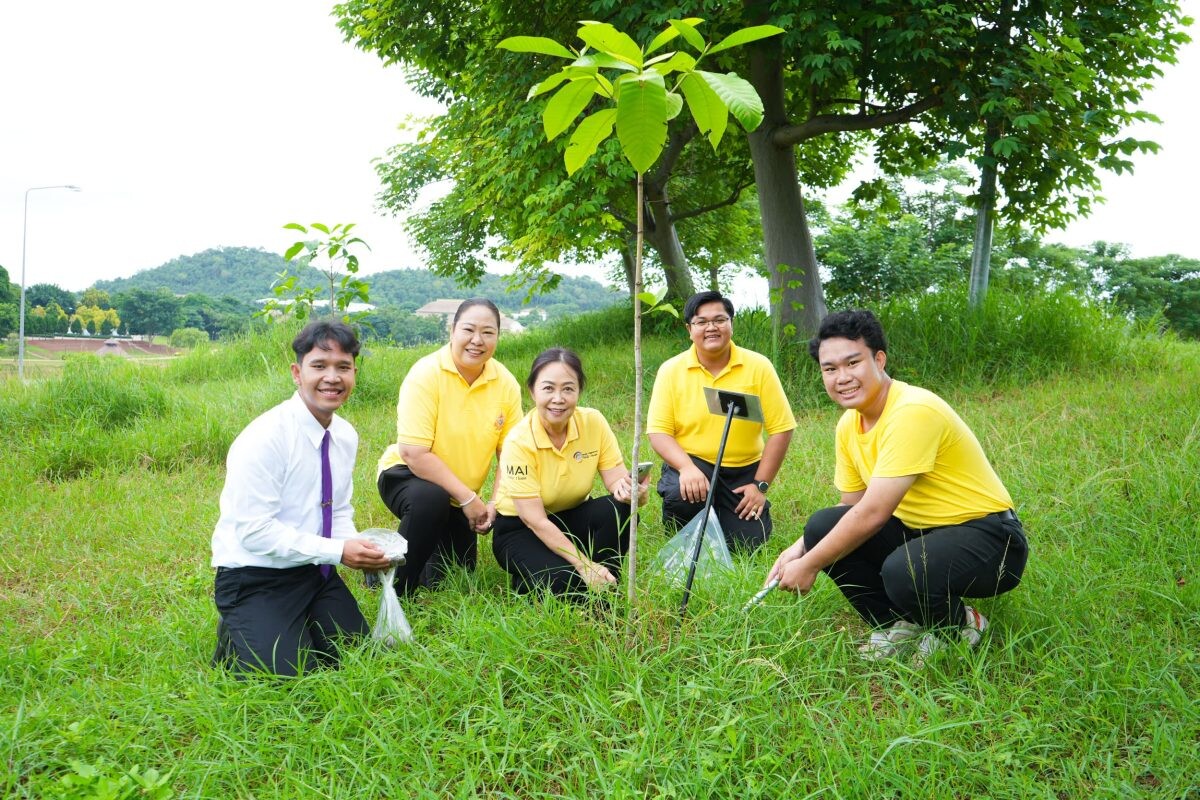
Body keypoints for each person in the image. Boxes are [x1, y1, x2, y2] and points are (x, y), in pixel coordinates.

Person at [765, 309, 1029, 661]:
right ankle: (903, 623)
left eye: (852, 363)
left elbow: (872, 514)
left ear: (879, 359)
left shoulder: (912, 411)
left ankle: (958, 625)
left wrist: (810, 564)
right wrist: (800, 547)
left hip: (991, 540)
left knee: (903, 569)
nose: (841, 377)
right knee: (821, 526)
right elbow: (851, 505)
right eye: (830, 369)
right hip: (924, 534)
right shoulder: (849, 424)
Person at [211, 321, 391, 676]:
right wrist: (339, 552)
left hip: (312, 570)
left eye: (343, 367)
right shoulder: (265, 437)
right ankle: (237, 632)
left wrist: (358, 545)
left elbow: (338, 509)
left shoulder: (345, 435)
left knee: (356, 657)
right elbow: (254, 532)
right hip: (254, 576)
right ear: (297, 373)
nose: (332, 377)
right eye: (319, 366)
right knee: (289, 677)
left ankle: (292, 622)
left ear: (355, 373)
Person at [377, 298, 523, 594]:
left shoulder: (505, 383)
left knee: (453, 575)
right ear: (452, 330)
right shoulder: (426, 374)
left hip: (459, 496)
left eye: (488, 332)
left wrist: (494, 502)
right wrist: (470, 499)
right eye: (468, 330)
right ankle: (395, 592)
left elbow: (512, 454)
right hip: (408, 476)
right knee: (431, 500)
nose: (477, 340)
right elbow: (413, 454)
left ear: (498, 336)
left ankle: (382, 557)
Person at [492, 348, 649, 596]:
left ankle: (607, 582)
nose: (558, 398)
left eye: (568, 388)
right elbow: (535, 519)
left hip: (570, 517)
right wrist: (583, 565)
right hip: (520, 529)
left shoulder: (593, 422)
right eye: (548, 388)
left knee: (620, 511)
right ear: (532, 391)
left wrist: (635, 493)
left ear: (578, 391)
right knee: (569, 582)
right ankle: (529, 580)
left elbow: (617, 482)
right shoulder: (518, 441)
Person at [647, 290, 796, 552]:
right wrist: (686, 468)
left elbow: (782, 429)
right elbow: (658, 432)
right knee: (684, 509)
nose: (711, 327)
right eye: (701, 322)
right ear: (689, 329)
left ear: (731, 324)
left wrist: (760, 485)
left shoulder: (758, 366)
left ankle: (725, 511)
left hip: (743, 470)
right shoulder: (671, 370)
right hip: (694, 464)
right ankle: (691, 515)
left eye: (719, 319)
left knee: (748, 543)